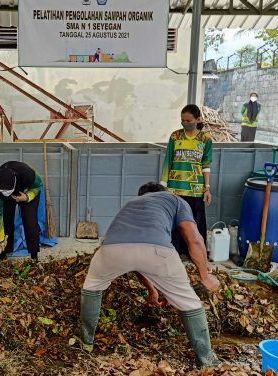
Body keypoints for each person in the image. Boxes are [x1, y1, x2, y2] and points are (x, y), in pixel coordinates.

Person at [80, 182, 220, 366]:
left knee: (92, 286)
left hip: (111, 250)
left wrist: (152, 291)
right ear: (164, 193)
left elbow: (135, 260)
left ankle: (85, 343)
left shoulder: (131, 204)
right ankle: (207, 361)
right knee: (189, 302)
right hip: (157, 250)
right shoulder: (175, 200)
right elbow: (194, 238)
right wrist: (205, 276)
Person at [160, 104, 213, 256]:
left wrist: (207, 188)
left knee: (196, 221)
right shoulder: (175, 136)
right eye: (182, 120)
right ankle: (175, 253)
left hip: (195, 188)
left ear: (197, 120)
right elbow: (168, 160)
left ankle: (196, 254)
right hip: (175, 187)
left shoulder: (205, 139)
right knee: (175, 222)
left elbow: (206, 165)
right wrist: (164, 184)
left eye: (188, 120)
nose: (184, 123)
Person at [0, 161, 43, 260]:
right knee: (6, 218)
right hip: (7, 190)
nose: (5, 194)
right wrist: (1, 239)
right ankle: (3, 251)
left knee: (30, 220)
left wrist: (27, 197)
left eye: (7, 192)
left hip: (27, 190)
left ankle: (34, 255)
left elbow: (38, 186)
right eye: (3, 192)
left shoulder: (28, 174)